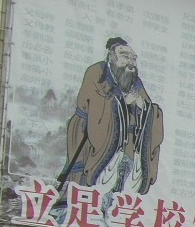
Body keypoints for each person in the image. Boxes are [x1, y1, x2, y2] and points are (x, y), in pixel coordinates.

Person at [56, 37, 165, 217]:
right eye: (125, 56)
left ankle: (111, 214)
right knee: (85, 186)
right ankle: (80, 213)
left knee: (120, 186)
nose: (130, 62)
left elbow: (151, 111)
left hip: (127, 146)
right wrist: (120, 102)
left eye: (133, 58)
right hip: (91, 137)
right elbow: (91, 105)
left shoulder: (135, 81)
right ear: (111, 56)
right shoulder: (97, 73)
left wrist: (145, 107)